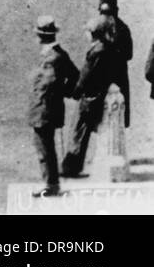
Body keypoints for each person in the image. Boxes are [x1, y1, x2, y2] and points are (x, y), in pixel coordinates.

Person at [60, 17, 118, 179]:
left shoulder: (95, 51)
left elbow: (85, 76)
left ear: (93, 33)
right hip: (97, 94)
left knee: (79, 132)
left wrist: (75, 92)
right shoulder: (106, 48)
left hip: (90, 97)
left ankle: (71, 168)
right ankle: (73, 167)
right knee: (81, 132)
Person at [28, 15, 78, 197]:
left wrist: (61, 92)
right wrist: (66, 92)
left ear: (40, 36)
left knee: (44, 149)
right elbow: (75, 75)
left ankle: (50, 185)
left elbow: (47, 85)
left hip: (44, 110)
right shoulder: (59, 54)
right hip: (48, 108)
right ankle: (52, 183)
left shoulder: (52, 57)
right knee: (46, 147)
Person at [97, 0, 133, 128]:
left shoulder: (121, 29)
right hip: (114, 77)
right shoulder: (122, 28)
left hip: (113, 77)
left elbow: (129, 54)